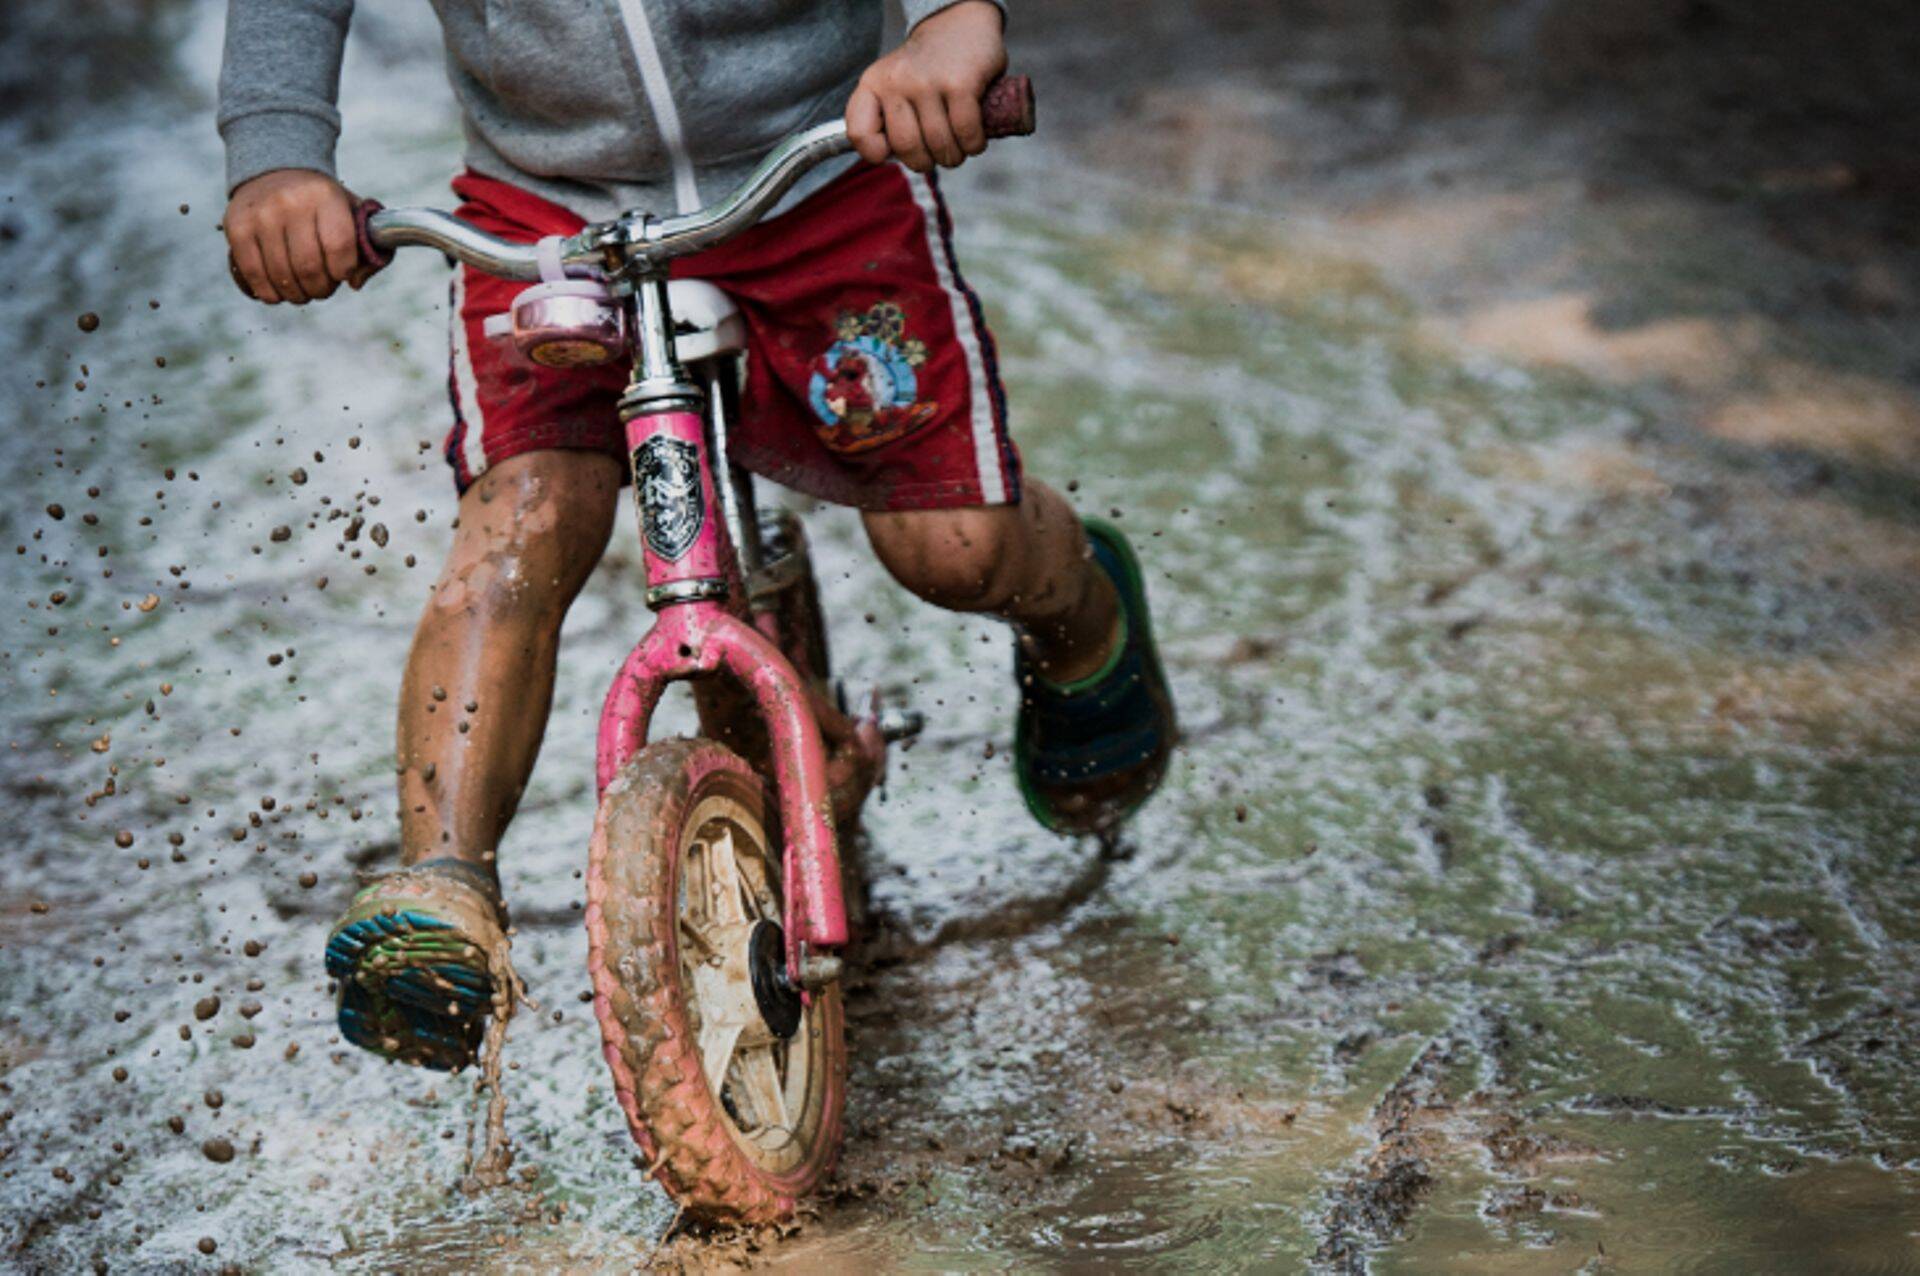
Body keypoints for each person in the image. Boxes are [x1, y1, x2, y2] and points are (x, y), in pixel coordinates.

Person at [218, 0, 1176, 1069]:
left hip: (820, 168)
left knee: (957, 548)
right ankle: (442, 887)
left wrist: (954, 21)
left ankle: (1084, 620)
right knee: (522, 528)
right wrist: (277, 156)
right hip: (544, 222)